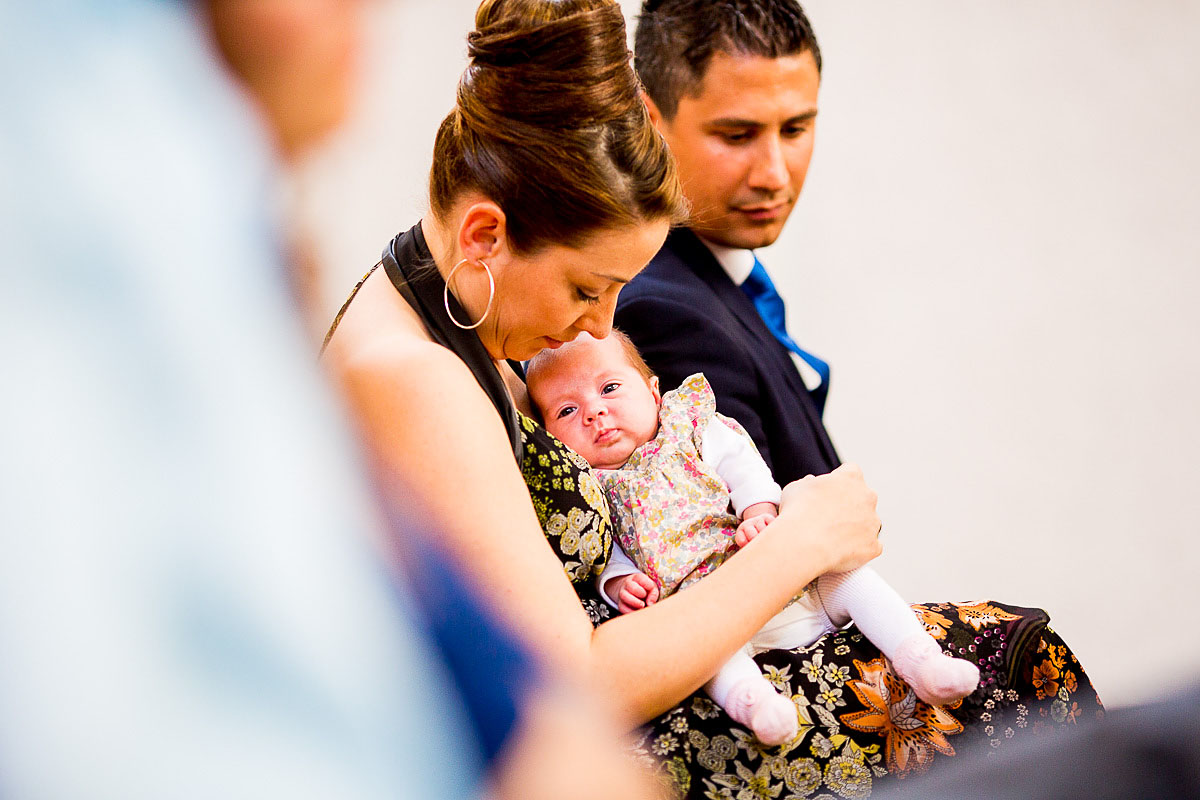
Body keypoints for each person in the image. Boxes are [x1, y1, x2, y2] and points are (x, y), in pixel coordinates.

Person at [322, 0, 884, 774]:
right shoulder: (414, 377)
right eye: (589, 287)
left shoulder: (448, 324)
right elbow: (571, 682)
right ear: (485, 234)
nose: (599, 326)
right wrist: (801, 542)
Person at [607, 1, 1102, 796]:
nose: (773, 170)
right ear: (648, 116)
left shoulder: (712, 281)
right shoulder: (657, 315)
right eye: (737, 134)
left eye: (796, 128)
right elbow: (749, 588)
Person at [525, 331, 980, 747]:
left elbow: (742, 465)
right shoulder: (592, 488)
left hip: (784, 579)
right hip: (707, 615)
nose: (594, 412)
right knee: (709, 663)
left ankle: (920, 658)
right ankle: (757, 705)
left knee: (850, 577)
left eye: (609, 389)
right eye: (567, 410)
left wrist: (757, 509)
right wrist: (620, 584)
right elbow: (605, 552)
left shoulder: (690, 431)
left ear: (653, 391)